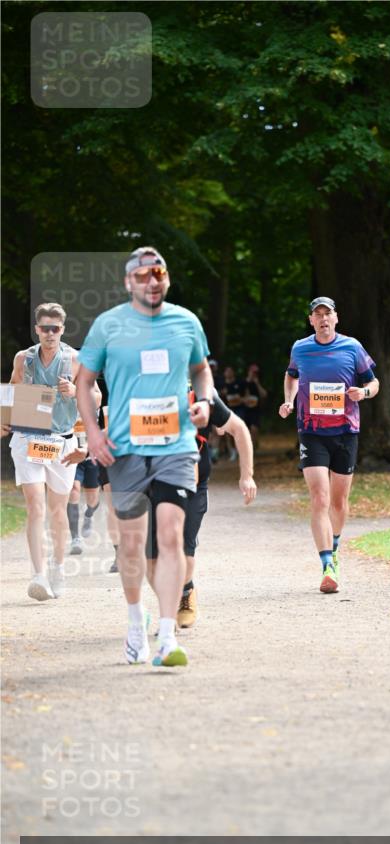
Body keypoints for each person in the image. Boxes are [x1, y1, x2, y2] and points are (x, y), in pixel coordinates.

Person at [76, 246, 215, 666]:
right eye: (142, 275)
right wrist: (94, 434)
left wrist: (205, 401)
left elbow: (201, 369)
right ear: (128, 282)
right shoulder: (108, 325)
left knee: (171, 536)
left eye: (159, 273)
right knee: (133, 545)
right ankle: (136, 621)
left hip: (176, 446)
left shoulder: (186, 322)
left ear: (167, 278)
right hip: (126, 451)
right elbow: (83, 382)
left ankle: (168, 637)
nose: (152, 281)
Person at [279, 295, 379, 593]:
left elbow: (374, 382)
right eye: (318, 314)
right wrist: (289, 400)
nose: (323, 319)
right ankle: (327, 566)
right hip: (311, 431)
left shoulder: (352, 347)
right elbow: (291, 376)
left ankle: (334, 546)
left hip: (346, 432)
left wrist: (363, 393)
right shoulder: (300, 348)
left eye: (328, 314)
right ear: (311, 320)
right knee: (319, 498)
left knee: (338, 501)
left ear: (336, 318)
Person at [1, 303, 100, 600]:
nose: (49, 333)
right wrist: (3, 418)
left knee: (58, 510)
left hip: (61, 441)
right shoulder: (24, 359)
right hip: (28, 437)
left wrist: (76, 392)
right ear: (37, 329)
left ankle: (58, 567)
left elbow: (96, 396)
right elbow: (12, 391)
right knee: (35, 505)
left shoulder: (76, 360)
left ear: (62, 330)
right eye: (44, 328)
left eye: (55, 329)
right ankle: (38, 574)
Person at [146, 388, 257, 628]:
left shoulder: (200, 395)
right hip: (152, 483)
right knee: (152, 561)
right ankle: (170, 606)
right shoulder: (144, 391)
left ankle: (185, 592)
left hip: (193, 486)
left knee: (184, 555)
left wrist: (247, 476)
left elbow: (239, 429)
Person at [220, 365, 246, 461]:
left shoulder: (240, 383)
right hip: (227, 410)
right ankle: (233, 451)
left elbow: (246, 395)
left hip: (239, 410)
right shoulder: (222, 385)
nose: (229, 373)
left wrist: (241, 399)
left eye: (230, 371)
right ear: (224, 373)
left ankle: (242, 450)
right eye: (227, 371)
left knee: (238, 430)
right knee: (228, 432)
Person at [242, 363, 268, 449]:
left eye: (256, 373)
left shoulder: (258, 383)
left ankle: (252, 448)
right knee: (245, 430)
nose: (254, 374)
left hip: (255, 410)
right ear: (248, 372)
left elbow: (264, 395)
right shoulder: (243, 382)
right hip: (244, 410)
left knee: (254, 429)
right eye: (253, 372)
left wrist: (257, 384)